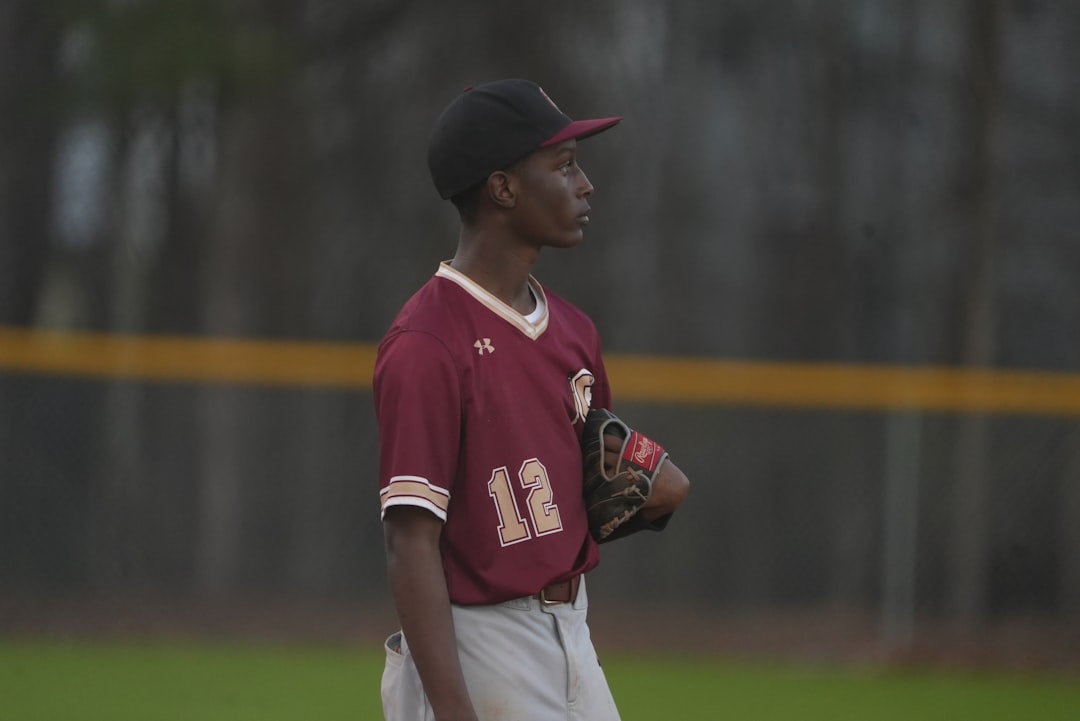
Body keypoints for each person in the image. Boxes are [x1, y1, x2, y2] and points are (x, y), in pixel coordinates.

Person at [374, 78, 691, 721]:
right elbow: (410, 543)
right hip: (477, 641)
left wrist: (649, 489)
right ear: (504, 188)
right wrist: (455, 710)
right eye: (565, 164)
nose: (585, 183)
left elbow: (581, 483)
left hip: (572, 631)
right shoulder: (427, 341)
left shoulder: (574, 332)